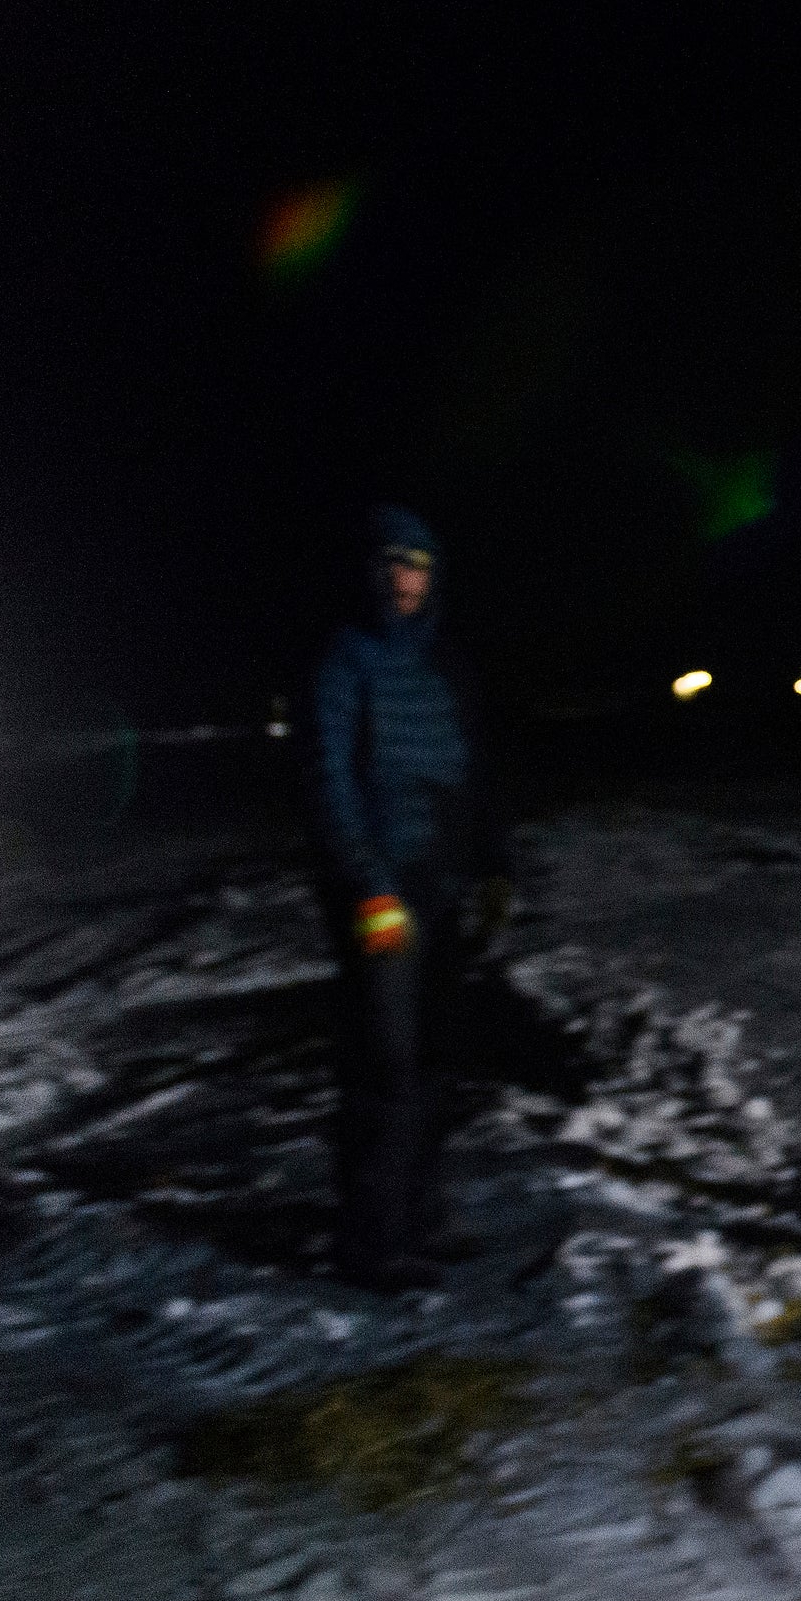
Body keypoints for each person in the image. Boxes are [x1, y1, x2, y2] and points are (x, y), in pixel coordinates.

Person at [307, 504, 510, 1290]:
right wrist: (369, 885)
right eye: (391, 564)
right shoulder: (344, 659)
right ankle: (370, 1239)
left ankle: (421, 1215)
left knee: (435, 1062)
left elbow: (479, 769)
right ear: (372, 573)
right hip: (382, 897)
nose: (403, 579)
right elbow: (329, 780)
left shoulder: (448, 664)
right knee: (382, 1066)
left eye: (416, 565)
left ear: (433, 575)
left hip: (445, 887)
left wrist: (496, 865)